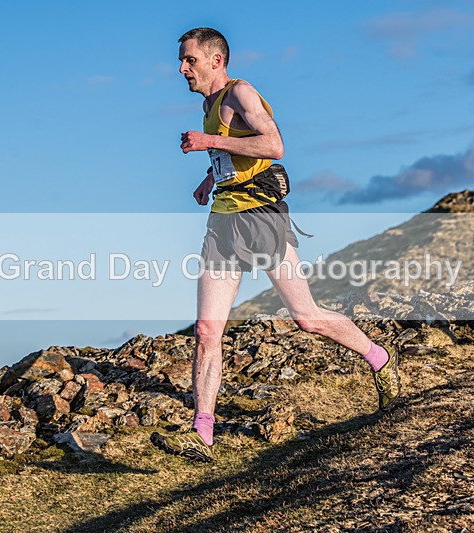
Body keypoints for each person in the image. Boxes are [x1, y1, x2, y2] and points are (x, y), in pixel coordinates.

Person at [150, 28, 401, 462]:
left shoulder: (240, 92)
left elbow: (274, 145)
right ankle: (202, 434)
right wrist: (211, 177)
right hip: (223, 222)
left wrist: (209, 141)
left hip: (260, 217)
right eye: (182, 61)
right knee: (207, 331)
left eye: (190, 60)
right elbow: (239, 154)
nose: (182, 68)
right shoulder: (208, 105)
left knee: (307, 317)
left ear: (216, 60)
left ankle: (379, 358)